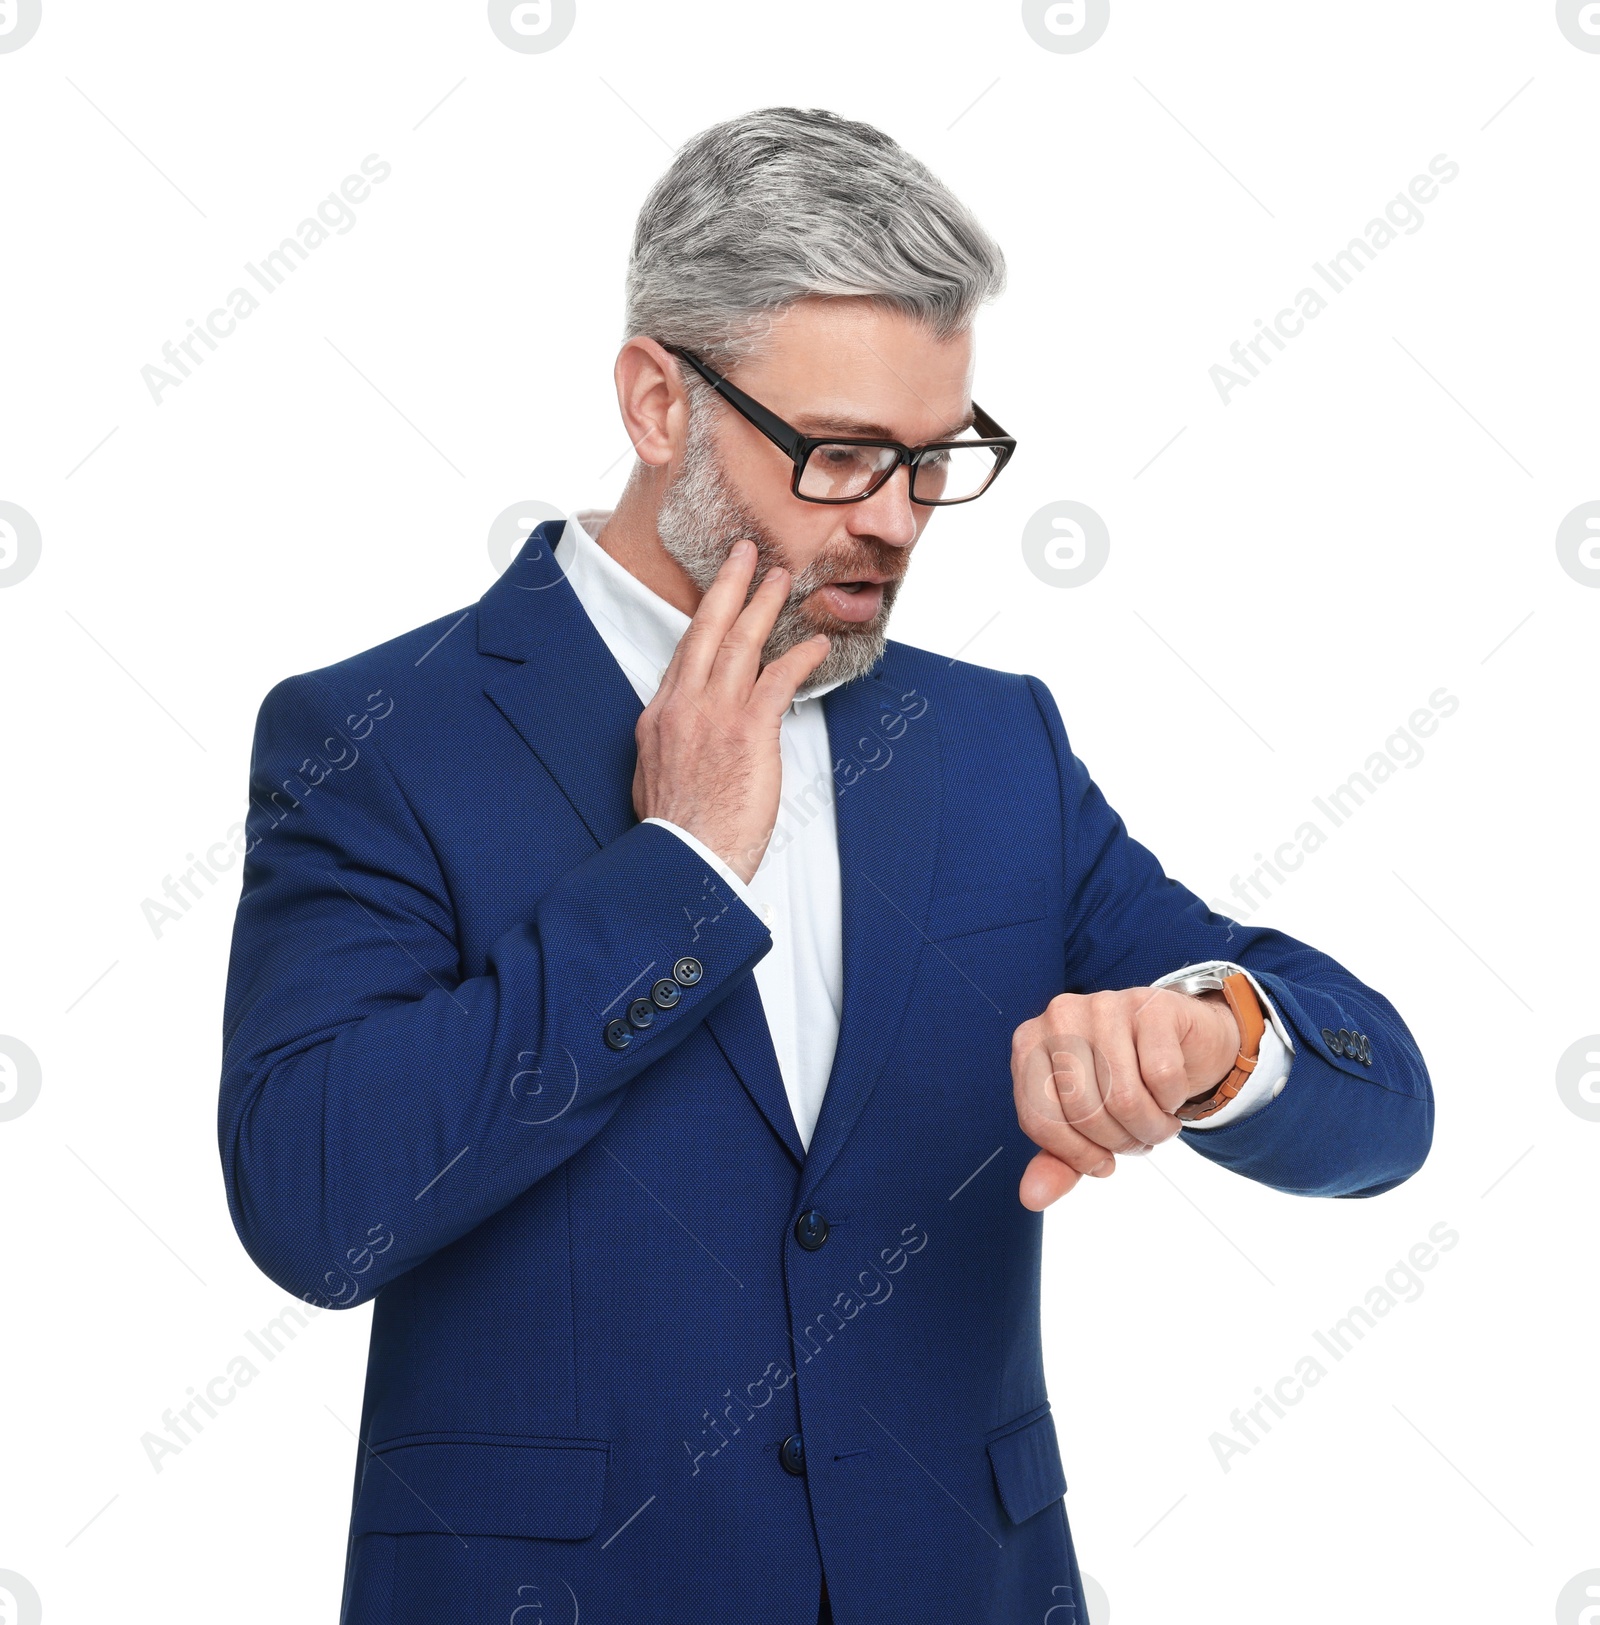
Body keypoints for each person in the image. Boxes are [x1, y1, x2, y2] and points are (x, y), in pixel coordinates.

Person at [218, 106, 1433, 1625]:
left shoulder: (992, 744)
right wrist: (675, 873)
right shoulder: (384, 736)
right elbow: (316, 1204)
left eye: (938, 460)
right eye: (843, 454)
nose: (897, 522)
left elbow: (1386, 1100)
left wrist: (1207, 1039)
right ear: (660, 401)